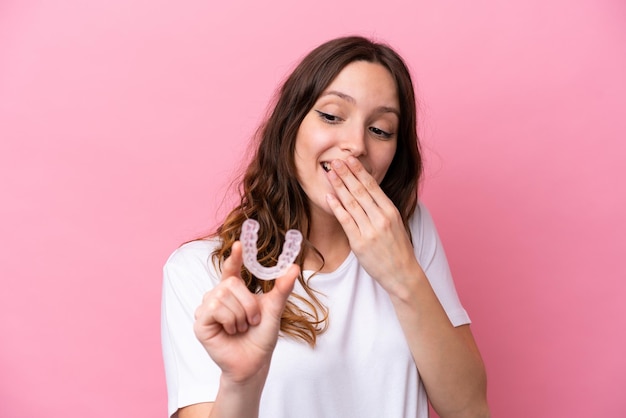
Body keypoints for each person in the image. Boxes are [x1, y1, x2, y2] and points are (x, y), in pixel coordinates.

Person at [161, 36, 489, 418]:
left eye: (380, 130)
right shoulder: (198, 271)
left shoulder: (410, 230)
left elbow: (470, 410)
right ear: (291, 125)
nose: (355, 145)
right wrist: (241, 383)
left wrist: (403, 276)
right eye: (332, 116)